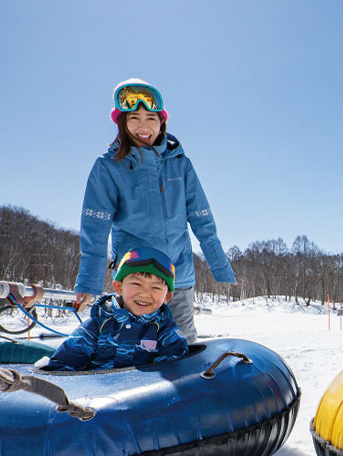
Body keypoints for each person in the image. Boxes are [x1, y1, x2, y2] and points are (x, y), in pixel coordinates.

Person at [74, 78, 236, 343]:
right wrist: (88, 283)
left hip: (177, 276)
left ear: (162, 122)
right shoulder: (108, 167)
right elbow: (95, 228)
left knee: (182, 345)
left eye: (151, 118)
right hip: (136, 280)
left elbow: (201, 218)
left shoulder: (180, 163)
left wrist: (220, 267)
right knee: (135, 348)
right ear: (122, 123)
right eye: (134, 117)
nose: (143, 126)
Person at [48, 248, 188, 371]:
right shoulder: (98, 323)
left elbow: (171, 378)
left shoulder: (167, 334)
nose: (145, 294)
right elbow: (63, 364)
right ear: (119, 287)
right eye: (136, 284)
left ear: (167, 296)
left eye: (156, 287)